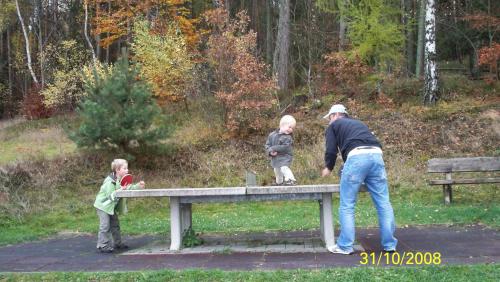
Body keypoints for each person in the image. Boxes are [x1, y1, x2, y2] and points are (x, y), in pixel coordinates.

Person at [321, 104, 397, 254]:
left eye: (329, 117)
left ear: (335, 115)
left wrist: (328, 167)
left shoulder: (334, 125)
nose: (329, 121)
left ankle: (344, 246)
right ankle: (390, 245)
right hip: (376, 156)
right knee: (383, 203)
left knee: (347, 205)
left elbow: (331, 150)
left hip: (356, 157)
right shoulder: (359, 123)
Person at [94, 159, 145, 253]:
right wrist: (121, 189)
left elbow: (128, 188)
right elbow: (111, 196)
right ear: (117, 170)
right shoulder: (110, 182)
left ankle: (117, 243)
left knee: (115, 225)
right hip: (103, 206)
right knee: (105, 226)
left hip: (111, 207)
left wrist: (138, 186)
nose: (127, 170)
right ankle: (102, 245)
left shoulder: (121, 180)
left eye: (127, 168)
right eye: (124, 168)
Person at [265, 115, 297, 185]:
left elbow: (285, 147)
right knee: (277, 170)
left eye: (292, 128)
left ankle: (291, 179)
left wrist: (274, 148)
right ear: (282, 125)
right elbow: (267, 146)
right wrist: (270, 152)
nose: (291, 130)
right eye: (290, 127)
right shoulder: (272, 135)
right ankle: (279, 182)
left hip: (285, 157)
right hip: (275, 158)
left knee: (284, 168)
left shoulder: (288, 137)